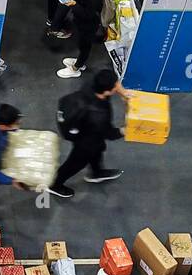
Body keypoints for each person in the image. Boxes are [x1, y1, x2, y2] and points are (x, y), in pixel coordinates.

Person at [49, 68, 133, 199]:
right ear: (107, 91)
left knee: (97, 150)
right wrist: (125, 131)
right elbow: (109, 133)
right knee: (75, 163)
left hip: (89, 132)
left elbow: (111, 83)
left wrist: (123, 92)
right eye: (116, 86)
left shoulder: (91, 85)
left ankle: (96, 173)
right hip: (85, 140)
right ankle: (55, 184)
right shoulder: (97, 114)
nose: (118, 87)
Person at [57, 0, 106, 79]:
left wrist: (74, 4)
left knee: (85, 46)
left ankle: (77, 67)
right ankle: (79, 61)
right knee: (81, 43)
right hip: (80, 22)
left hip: (89, 25)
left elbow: (88, 14)